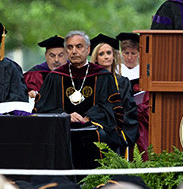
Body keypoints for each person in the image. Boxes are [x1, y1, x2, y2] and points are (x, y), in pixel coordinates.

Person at [35, 31, 138, 168]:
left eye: (79, 46)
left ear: (88, 49)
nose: (74, 51)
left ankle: (97, 182)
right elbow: (42, 108)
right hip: (63, 128)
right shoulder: (55, 77)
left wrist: (90, 117)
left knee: (99, 136)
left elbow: (111, 107)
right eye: (70, 47)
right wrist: (65, 116)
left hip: (94, 128)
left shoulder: (103, 76)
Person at [90, 33, 139, 150]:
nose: (106, 57)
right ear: (96, 58)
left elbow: (129, 110)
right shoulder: (90, 81)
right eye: (101, 54)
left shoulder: (123, 82)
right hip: (96, 131)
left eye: (108, 53)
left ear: (113, 56)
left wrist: (120, 133)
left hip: (118, 133)